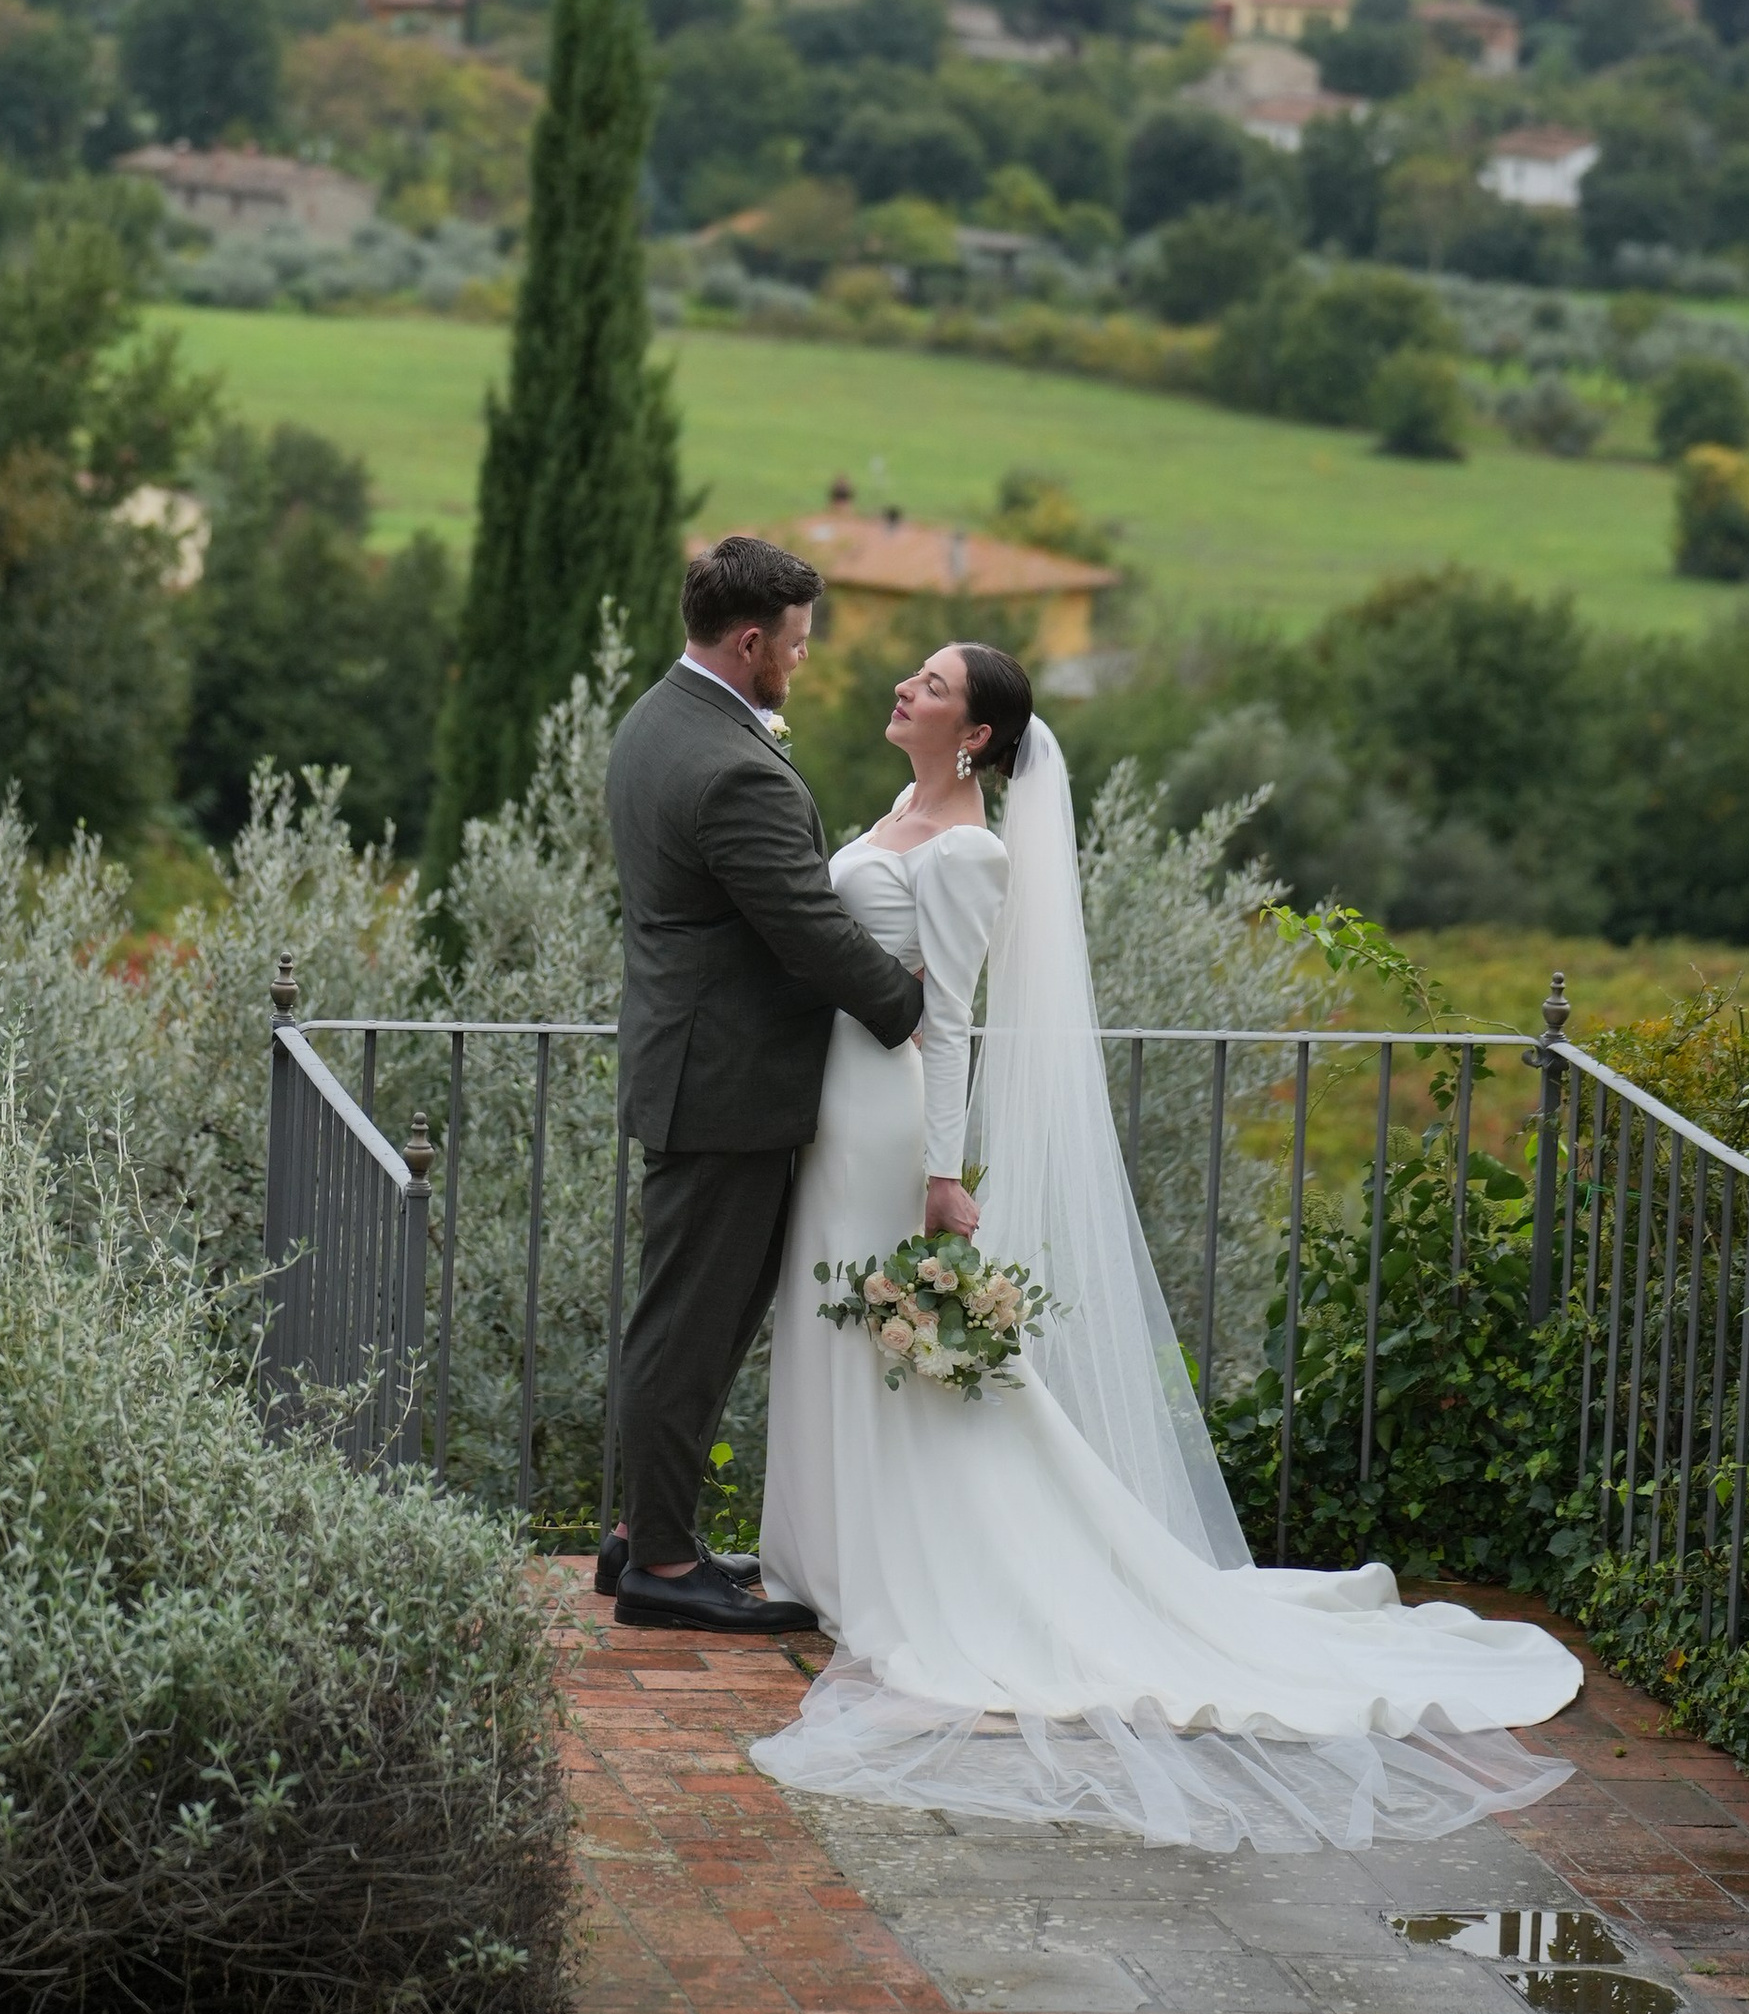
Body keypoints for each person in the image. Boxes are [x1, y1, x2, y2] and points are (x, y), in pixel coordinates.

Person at [751, 640, 1584, 1849]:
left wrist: (940, 1174)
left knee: (885, 1335)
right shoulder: (898, 810)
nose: (903, 690)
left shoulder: (974, 848)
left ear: (975, 735)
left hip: (885, 1125)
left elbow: (950, 1023)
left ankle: (915, 1568)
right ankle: (825, 1556)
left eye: (930, 686)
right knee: (838, 1329)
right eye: (917, 678)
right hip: (834, 1111)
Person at [602, 532, 927, 1636]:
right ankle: (661, 1564)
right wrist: (906, 1004)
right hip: (726, 1081)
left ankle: (642, 1533)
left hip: (695, 1064)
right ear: (748, 643)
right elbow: (806, 932)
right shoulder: (732, 764)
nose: (802, 660)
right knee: (691, 1329)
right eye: (793, 644)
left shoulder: (659, 718)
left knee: (683, 1319)